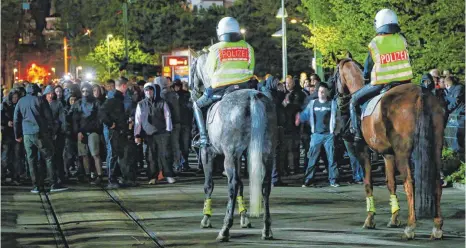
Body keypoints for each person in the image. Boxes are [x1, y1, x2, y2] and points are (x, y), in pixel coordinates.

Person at [350, 9, 413, 141]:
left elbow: (367, 68)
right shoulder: (402, 39)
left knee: (354, 100)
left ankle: (357, 134)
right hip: (405, 82)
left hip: (382, 83)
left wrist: (366, 78)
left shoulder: (375, 43)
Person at [192, 16, 255, 147]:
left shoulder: (215, 49)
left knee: (197, 105)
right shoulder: (248, 47)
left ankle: (203, 137)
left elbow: (209, 71)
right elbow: (251, 68)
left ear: (220, 32)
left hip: (221, 89)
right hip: (245, 86)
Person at [14, 84, 68, 193]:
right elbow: (48, 117)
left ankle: (36, 186)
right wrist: (52, 131)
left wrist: (17, 135)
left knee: (31, 159)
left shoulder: (21, 101)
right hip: (40, 133)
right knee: (49, 156)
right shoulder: (40, 100)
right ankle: (53, 183)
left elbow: (16, 119)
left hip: (26, 134)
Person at [295, 83, 340, 187]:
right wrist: (299, 118)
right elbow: (305, 114)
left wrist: (336, 131)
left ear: (327, 92)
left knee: (331, 159)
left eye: (323, 91)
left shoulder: (332, 104)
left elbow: (338, 119)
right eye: (320, 91)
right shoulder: (313, 104)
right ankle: (308, 180)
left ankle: (333, 180)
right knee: (312, 158)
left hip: (329, 135)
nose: (321, 93)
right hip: (316, 135)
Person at [134, 82, 175, 184]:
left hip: (162, 133)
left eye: (150, 90)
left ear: (154, 91)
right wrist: (137, 134)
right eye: (146, 90)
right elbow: (138, 120)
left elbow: (168, 116)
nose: (149, 92)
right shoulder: (141, 104)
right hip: (148, 134)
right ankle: (153, 176)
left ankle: (168, 175)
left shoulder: (162, 102)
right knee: (151, 156)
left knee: (165, 155)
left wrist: (168, 130)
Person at [72, 83, 103, 185]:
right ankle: (87, 174)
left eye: (87, 91)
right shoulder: (78, 103)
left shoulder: (96, 103)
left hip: (93, 131)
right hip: (81, 131)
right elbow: (75, 119)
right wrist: (78, 131)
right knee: (84, 154)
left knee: (95, 154)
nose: (85, 93)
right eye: (83, 91)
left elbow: (99, 117)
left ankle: (99, 175)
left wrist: (96, 128)